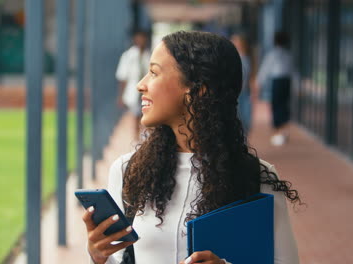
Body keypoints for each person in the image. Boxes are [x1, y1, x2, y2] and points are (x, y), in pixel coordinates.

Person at [83, 31, 301, 264]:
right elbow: (118, 258)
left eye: (154, 73)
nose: (140, 85)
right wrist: (98, 257)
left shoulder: (256, 177)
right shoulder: (128, 171)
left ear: (198, 89)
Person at [256, 32, 293, 146]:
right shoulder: (288, 55)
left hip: (278, 82)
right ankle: (281, 130)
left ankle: (279, 131)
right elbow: (293, 70)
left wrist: (259, 82)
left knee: (277, 104)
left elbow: (265, 69)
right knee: (283, 104)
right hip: (285, 82)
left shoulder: (272, 55)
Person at [116, 29, 151, 138]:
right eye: (139, 38)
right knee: (136, 114)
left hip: (146, 90)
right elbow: (123, 76)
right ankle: (136, 137)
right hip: (133, 90)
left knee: (145, 114)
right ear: (134, 39)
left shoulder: (149, 55)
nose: (141, 40)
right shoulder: (128, 56)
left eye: (143, 38)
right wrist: (121, 96)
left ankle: (143, 136)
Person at [231, 33, 254, 135]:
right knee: (237, 117)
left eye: (237, 42)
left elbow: (251, 76)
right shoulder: (231, 57)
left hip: (245, 92)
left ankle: (244, 139)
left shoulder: (248, 57)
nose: (235, 44)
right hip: (234, 92)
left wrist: (253, 92)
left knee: (246, 119)